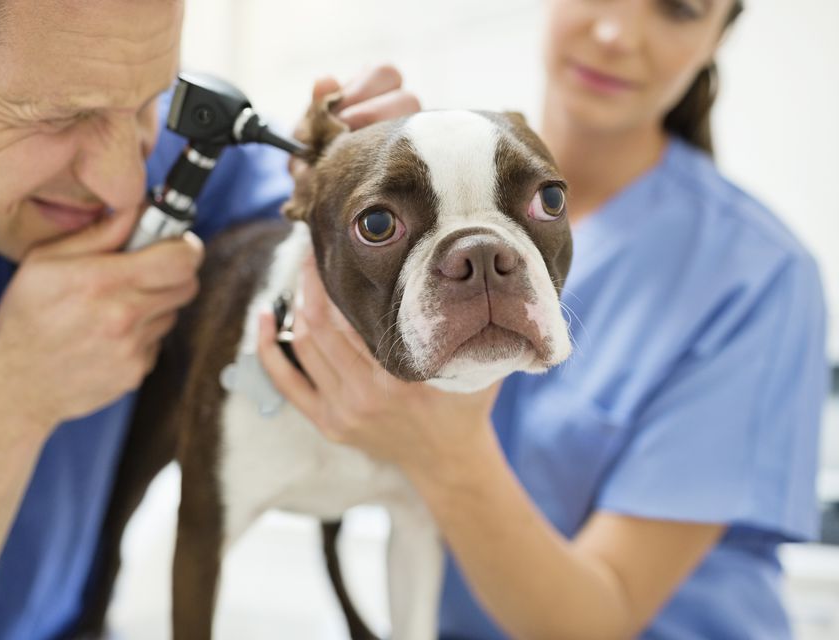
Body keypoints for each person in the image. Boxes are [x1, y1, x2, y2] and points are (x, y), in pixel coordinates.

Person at [259, 0, 831, 638]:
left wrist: (443, 450)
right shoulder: (416, 164)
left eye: (680, 8)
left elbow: (600, 620)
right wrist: (336, 178)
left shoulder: (755, 276)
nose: (617, 33)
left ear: (719, 35)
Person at [0, 1, 418, 637]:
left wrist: (372, 190)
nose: (123, 184)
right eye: (60, 118)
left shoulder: (169, 143)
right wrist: (6, 408)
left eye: (149, 105)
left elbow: (304, 219)